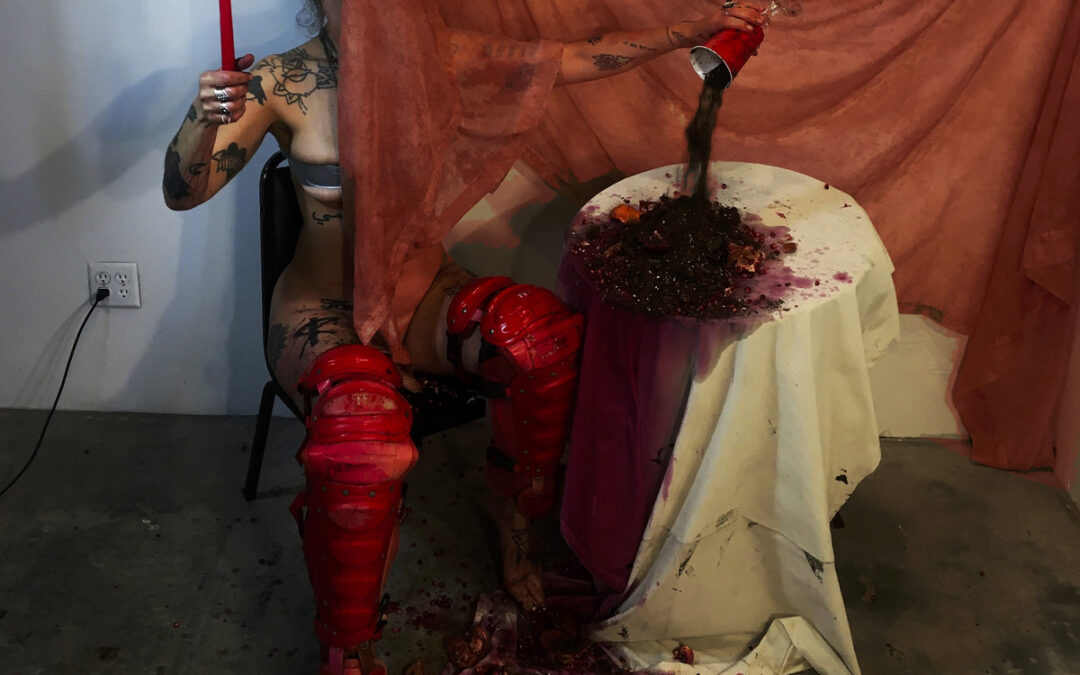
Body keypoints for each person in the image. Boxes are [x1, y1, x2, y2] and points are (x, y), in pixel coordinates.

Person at [163, 1, 767, 672]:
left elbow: (577, 57)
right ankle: (346, 643)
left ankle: (515, 524)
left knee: (537, 340)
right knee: (360, 433)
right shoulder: (279, 82)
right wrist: (202, 118)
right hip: (324, 310)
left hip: (422, 298)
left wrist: (687, 32)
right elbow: (183, 193)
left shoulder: (443, 60)